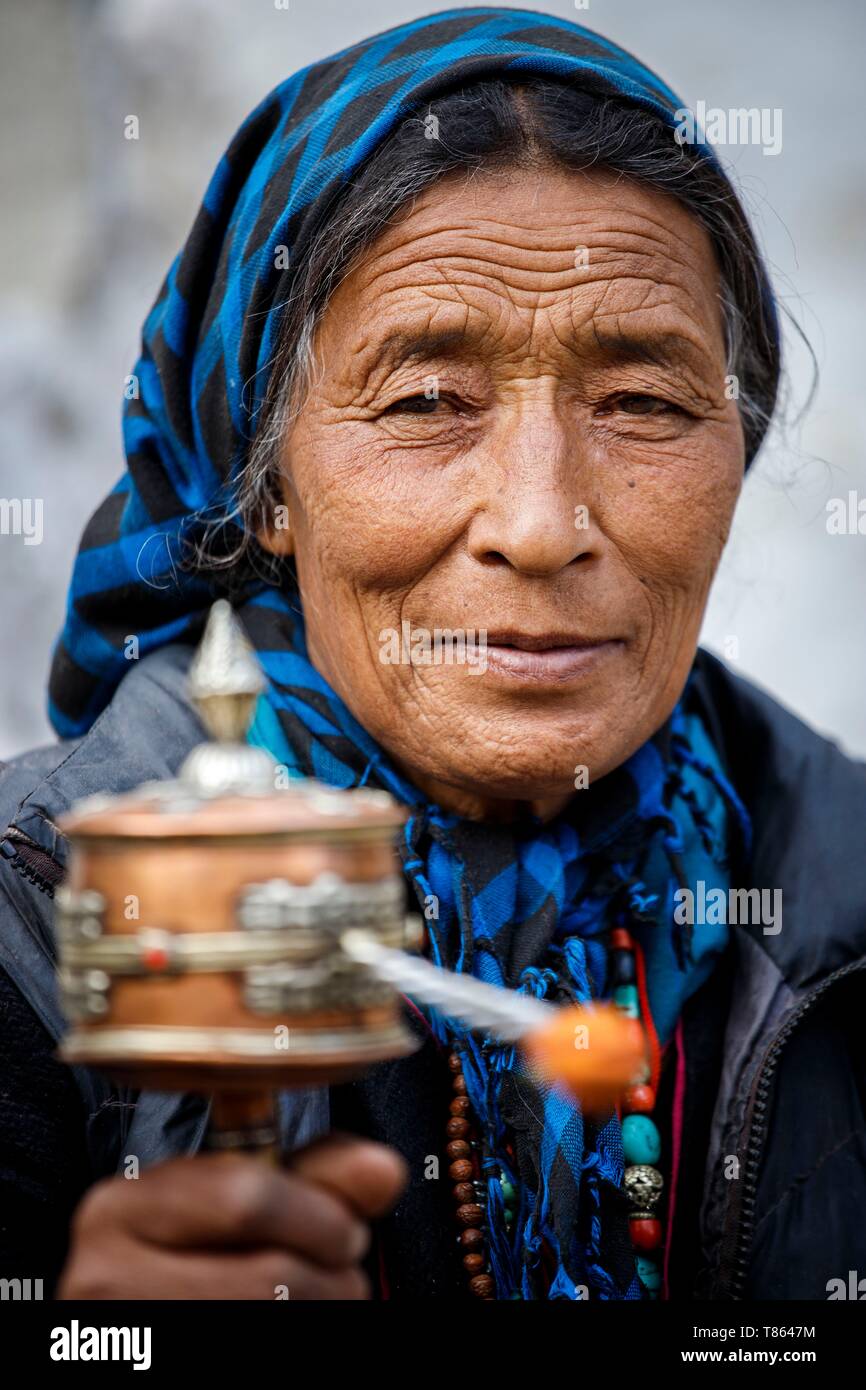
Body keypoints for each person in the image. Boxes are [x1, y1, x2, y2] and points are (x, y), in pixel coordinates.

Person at [1, 8, 864, 1301]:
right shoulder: (27, 933)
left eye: (640, 401)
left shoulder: (836, 896)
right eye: (423, 401)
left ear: (734, 454)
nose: (538, 523)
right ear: (265, 484)